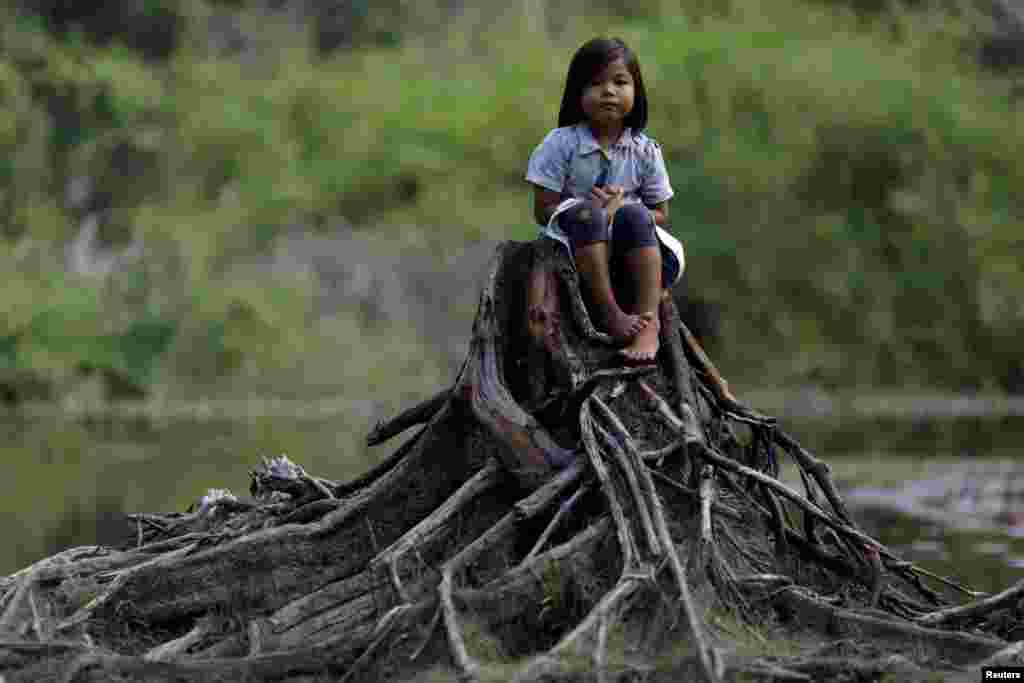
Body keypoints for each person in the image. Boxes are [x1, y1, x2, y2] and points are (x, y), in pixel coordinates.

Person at [525, 36, 685, 365]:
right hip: (576, 244)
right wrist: (590, 211)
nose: (609, 91)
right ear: (578, 94)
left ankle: (648, 322)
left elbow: (660, 213)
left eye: (620, 82)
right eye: (596, 83)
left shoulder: (644, 150)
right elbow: (543, 211)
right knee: (587, 216)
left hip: (632, 243)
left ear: (635, 91)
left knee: (636, 216)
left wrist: (621, 211)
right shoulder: (561, 145)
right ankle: (610, 312)